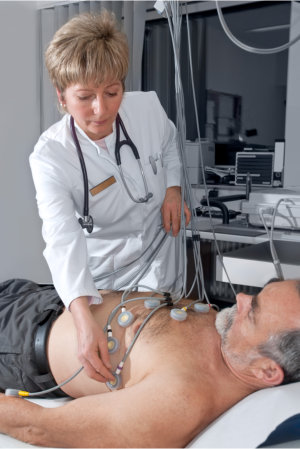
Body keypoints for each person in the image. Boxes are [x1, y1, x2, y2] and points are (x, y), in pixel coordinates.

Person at [29, 10, 191, 384]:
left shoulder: (147, 108)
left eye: (112, 92)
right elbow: (61, 238)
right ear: (61, 97)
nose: (102, 110)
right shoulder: (51, 157)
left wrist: (172, 188)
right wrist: (81, 318)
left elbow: (169, 145)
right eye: (85, 97)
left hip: (161, 258)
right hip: (105, 280)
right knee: (124, 374)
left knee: (169, 357)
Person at [0, 278, 299, 447]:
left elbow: (38, 427)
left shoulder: (179, 400)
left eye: (253, 312)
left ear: (267, 370)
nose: (242, 297)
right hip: (47, 294)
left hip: (16, 341)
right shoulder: (229, 341)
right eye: (257, 293)